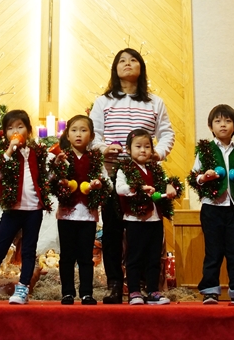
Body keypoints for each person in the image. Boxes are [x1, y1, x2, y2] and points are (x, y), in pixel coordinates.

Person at [89, 48, 175, 304]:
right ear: (115, 69)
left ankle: (147, 286)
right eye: (122, 61)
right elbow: (94, 135)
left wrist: (158, 153)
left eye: (133, 60)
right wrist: (104, 148)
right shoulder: (103, 102)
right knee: (113, 232)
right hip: (113, 173)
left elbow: (167, 133)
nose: (127, 64)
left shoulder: (154, 102)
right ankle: (115, 284)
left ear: (141, 67)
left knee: (146, 234)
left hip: (146, 176)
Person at [0, 109, 53, 305]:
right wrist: (9, 150)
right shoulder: (4, 154)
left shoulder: (37, 153)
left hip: (33, 210)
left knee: (28, 250)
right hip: (12, 210)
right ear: (4, 133)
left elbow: (45, 178)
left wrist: (56, 165)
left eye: (20, 127)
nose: (15, 131)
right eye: (10, 128)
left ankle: (23, 287)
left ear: (28, 130)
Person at [187, 104, 234, 306]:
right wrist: (204, 177)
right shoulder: (205, 150)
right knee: (213, 252)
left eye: (228, 121)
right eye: (218, 121)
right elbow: (194, 177)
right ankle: (210, 290)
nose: (223, 125)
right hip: (212, 208)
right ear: (210, 126)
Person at [50, 114, 111, 305]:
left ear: (91, 136)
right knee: (67, 256)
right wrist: (57, 168)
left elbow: (107, 183)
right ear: (67, 135)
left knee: (86, 256)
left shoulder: (95, 159)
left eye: (83, 130)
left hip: (88, 216)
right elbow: (50, 180)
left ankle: (86, 293)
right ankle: (67, 292)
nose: (78, 134)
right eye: (74, 130)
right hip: (66, 215)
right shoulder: (63, 157)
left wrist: (98, 184)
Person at [115, 129, 181, 305]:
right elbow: (120, 188)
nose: (143, 150)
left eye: (147, 146)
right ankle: (134, 291)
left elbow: (165, 183)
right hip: (135, 221)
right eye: (138, 146)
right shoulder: (125, 169)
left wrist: (169, 187)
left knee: (154, 257)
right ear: (128, 149)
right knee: (134, 257)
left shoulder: (155, 168)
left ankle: (153, 291)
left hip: (155, 220)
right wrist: (137, 188)